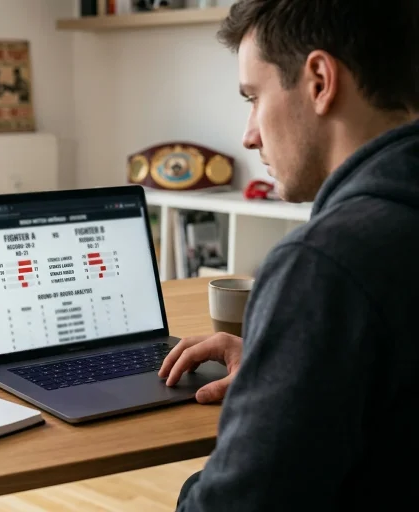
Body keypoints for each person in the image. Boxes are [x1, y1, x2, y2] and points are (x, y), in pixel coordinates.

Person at [159, 1, 419, 510]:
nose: (248, 134)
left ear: (320, 81)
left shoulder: (324, 264)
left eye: (254, 97)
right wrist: (278, 364)